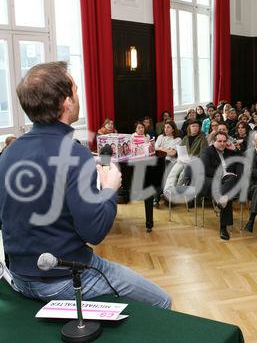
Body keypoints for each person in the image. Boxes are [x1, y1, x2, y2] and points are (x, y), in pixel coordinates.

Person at [0, 61, 171, 308]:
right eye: (76, 90)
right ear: (66, 102)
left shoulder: (9, 152)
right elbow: (95, 232)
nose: (78, 96)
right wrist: (110, 189)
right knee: (162, 301)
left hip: (20, 277)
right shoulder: (75, 154)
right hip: (65, 278)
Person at [200, 132, 239, 240]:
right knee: (227, 190)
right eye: (219, 141)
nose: (222, 144)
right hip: (211, 181)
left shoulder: (229, 152)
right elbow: (205, 170)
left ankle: (222, 199)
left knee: (230, 180)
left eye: (224, 141)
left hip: (228, 181)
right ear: (213, 142)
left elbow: (242, 158)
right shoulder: (207, 151)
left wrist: (234, 149)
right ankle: (223, 228)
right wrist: (222, 174)